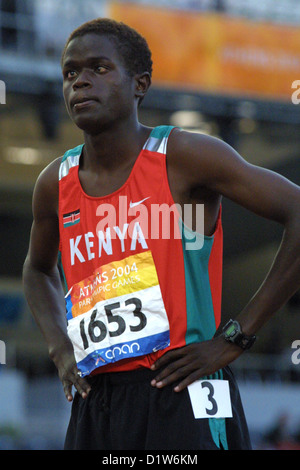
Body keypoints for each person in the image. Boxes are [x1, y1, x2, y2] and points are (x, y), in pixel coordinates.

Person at [22, 18, 300, 451]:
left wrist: (236, 337)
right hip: (97, 399)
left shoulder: (184, 157)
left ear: (140, 84)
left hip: (184, 387)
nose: (79, 82)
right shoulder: (54, 183)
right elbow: (37, 271)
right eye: (70, 72)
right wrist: (59, 348)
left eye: (99, 68)